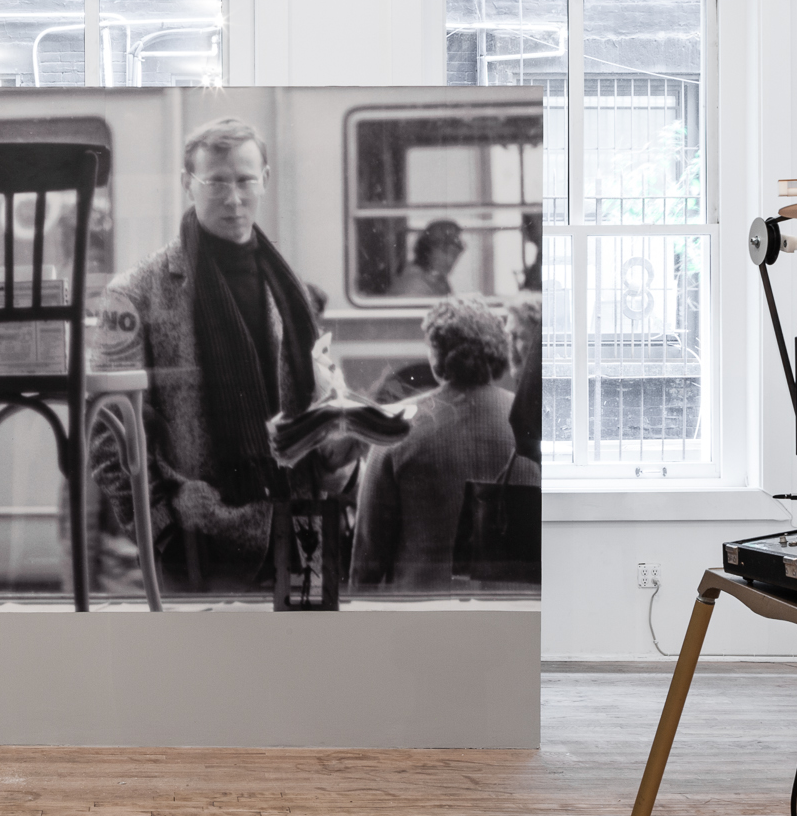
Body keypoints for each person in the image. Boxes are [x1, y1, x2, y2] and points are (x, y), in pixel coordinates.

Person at [92, 117, 358, 593]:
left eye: (245, 180)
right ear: (187, 184)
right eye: (216, 182)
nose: (233, 199)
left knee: (309, 662)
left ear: (266, 181)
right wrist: (160, 531)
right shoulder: (134, 293)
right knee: (199, 667)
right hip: (200, 538)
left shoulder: (293, 290)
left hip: (302, 527)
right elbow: (109, 433)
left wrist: (342, 450)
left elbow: (317, 403)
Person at [351, 295, 538, 592]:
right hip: (513, 616)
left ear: (436, 354)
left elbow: (367, 559)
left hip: (422, 619)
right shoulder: (532, 423)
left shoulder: (395, 428)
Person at [389, 220, 465, 297]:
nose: (450, 260)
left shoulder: (439, 280)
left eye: (455, 254)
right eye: (444, 252)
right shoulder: (414, 283)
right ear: (427, 250)